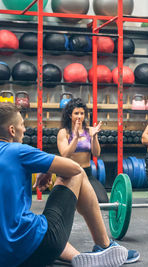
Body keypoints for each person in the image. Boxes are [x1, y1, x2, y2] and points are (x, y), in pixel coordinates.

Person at [0, 102, 139, 267]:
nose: (24, 129)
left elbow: (96, 152)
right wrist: (49, 168)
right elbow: (73, 168)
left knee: (35, 225)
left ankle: (78, 257)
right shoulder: (17, 150)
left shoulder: (87, 132)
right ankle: (105, 246)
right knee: (76, 174)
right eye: (22, 125)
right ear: (12, 130)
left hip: (7, 258)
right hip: (37, 248)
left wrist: (93, 136)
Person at [57, 98, 108, 203]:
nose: (79, 116)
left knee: (103, 201)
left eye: (82, 113)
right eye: (76, 113)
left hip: (87, 173)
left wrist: (94, 137)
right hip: (69, 174)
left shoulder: (89, 131)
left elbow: (96, 153)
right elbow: (65, 154)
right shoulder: (63, 132)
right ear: (70, 115)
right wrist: (75, 138)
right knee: (68, 204)